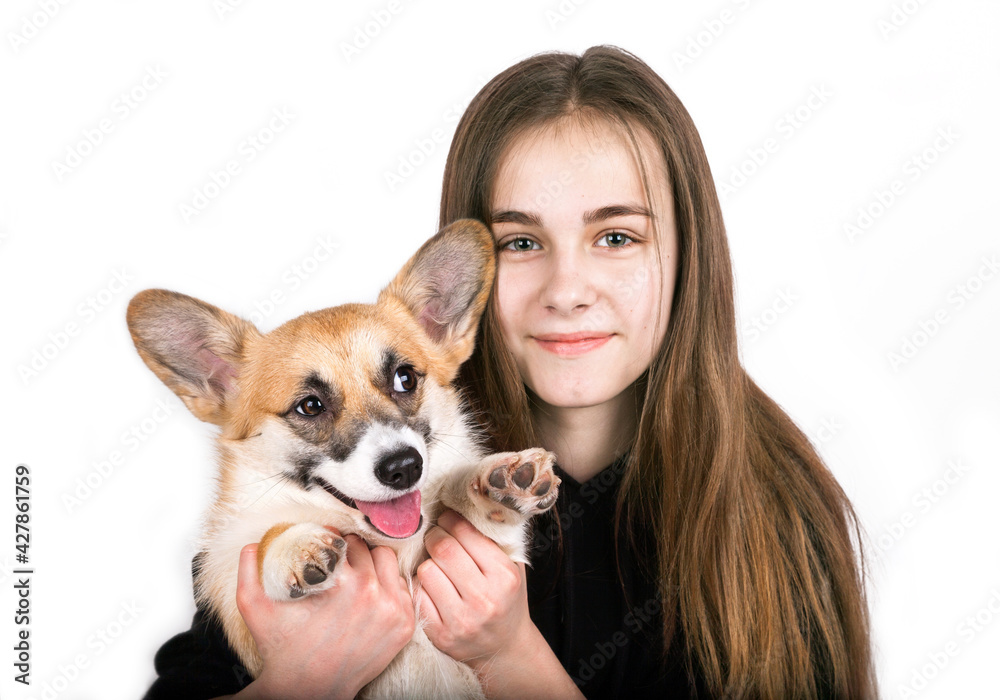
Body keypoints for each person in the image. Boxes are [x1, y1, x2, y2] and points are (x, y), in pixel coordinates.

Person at [144, 45, 877, 699]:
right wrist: (305, 679)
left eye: (616, 236)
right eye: (521, 242)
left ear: (690, 251)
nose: (568, 290)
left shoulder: (777, 513)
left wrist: (510, 655)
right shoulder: (303, 527)